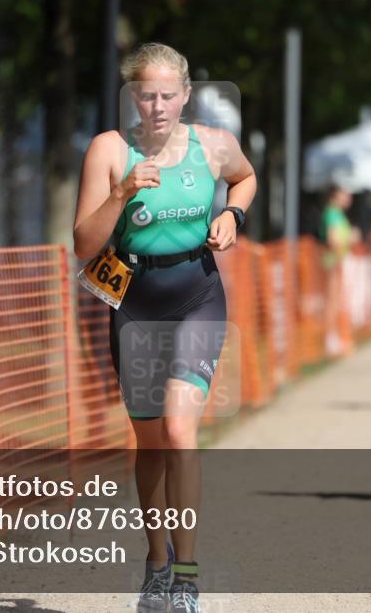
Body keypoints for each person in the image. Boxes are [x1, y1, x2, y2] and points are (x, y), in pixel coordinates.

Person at [72, 43, 256, 613]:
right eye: (146, 95)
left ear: (185, 95)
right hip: (134, 302)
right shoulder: (109, 150)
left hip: (197, 293)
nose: (157, 106)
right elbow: (81, 244)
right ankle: (157, 564)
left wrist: (232, 215)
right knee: (150, 440)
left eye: (168, 95)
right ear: (133, 96)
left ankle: (188, 578)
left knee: (179, 432)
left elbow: (245, 179)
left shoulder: (213, 145)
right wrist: (123, 192)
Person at [320, 185, 356, 356]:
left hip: (338, 262)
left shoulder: (337, 214)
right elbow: (333, 239)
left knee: (337, 301)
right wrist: (352, 238)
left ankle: (336, 337)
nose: (349, 198)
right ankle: (330, 339)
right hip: (333, 262)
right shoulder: (332, 214)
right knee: (332, 302)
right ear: (335, 195)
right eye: (346, 194)